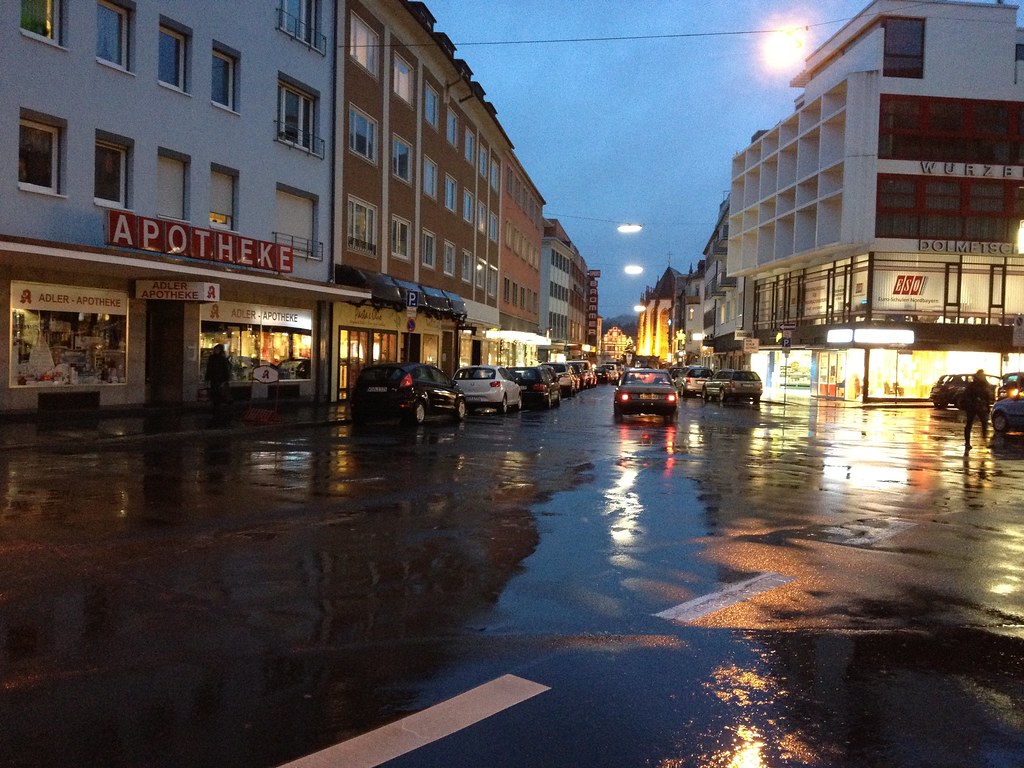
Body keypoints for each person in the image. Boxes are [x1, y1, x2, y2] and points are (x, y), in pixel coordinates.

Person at [961, 369, 994, 453]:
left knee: (984, 422)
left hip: (980, 407)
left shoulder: (983, 385)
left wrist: (987, 407)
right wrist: (972, 403)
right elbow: (967, 396)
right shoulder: (973, 385)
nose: (983, 376)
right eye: (982, 375)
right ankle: (968, 442)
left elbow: (987, 397)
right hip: (972, 407)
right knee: (970, 423)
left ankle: (984, 441)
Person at [205, 343, 232, 422]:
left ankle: (217, 414)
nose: (215, 351)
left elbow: (225, 370)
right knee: (215, 397)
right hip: (215, 380)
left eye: (217, 349)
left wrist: (225, 380)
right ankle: (217, 413)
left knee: (218, 397)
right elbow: (209, 369)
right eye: (215, 349)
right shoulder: (214, 358)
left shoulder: (221, 359)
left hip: (219, 380)